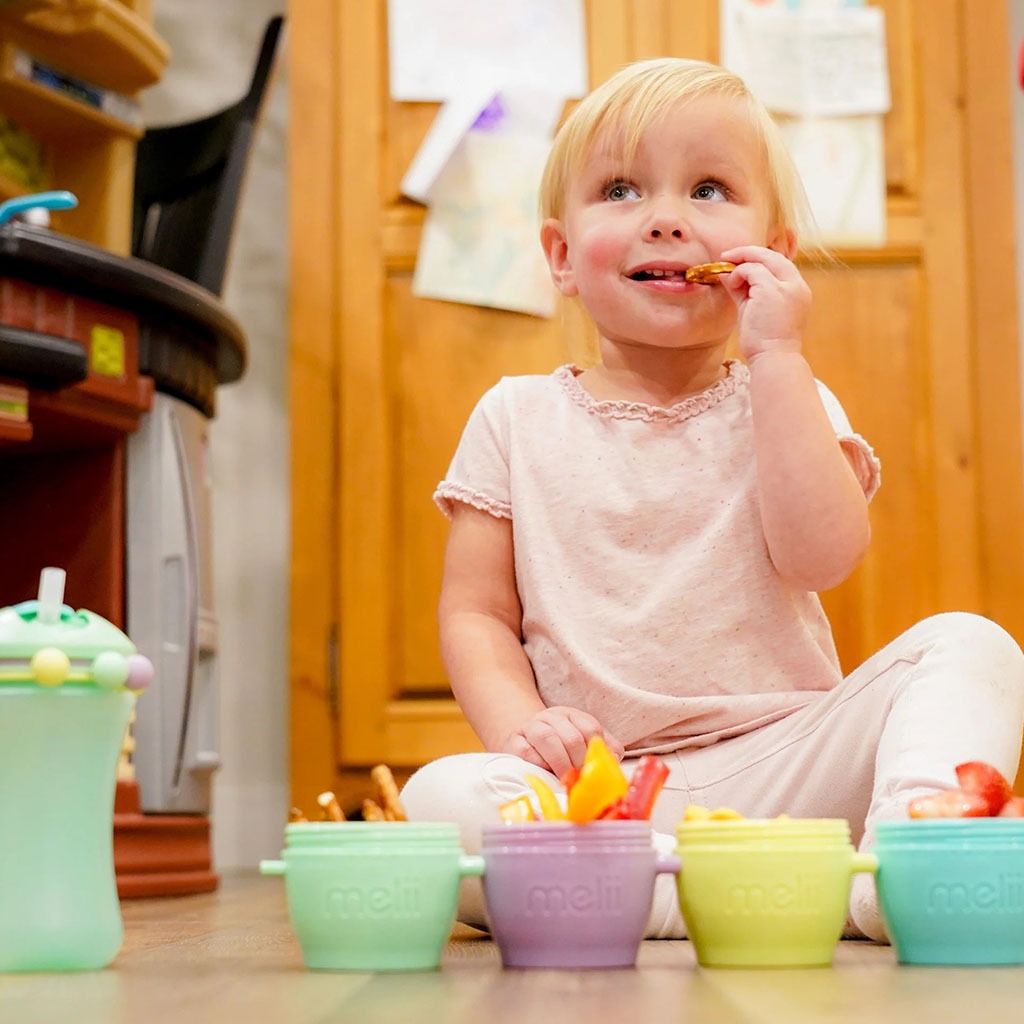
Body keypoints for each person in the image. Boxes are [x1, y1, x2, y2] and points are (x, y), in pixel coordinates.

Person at [399, 57, 1024, 941]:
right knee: (441, 799)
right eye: (621, 189)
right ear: (562, 256)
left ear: (769, 254)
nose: (665, 219)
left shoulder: (791, 397)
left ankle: (904, 860)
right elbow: (475, 615)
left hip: (792, 775)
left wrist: (780, 359)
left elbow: (823, 559)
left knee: (972, 643)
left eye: (708, 189)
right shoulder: (513, 416)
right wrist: (524, 727)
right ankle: (720, 898)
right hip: (609, 796)